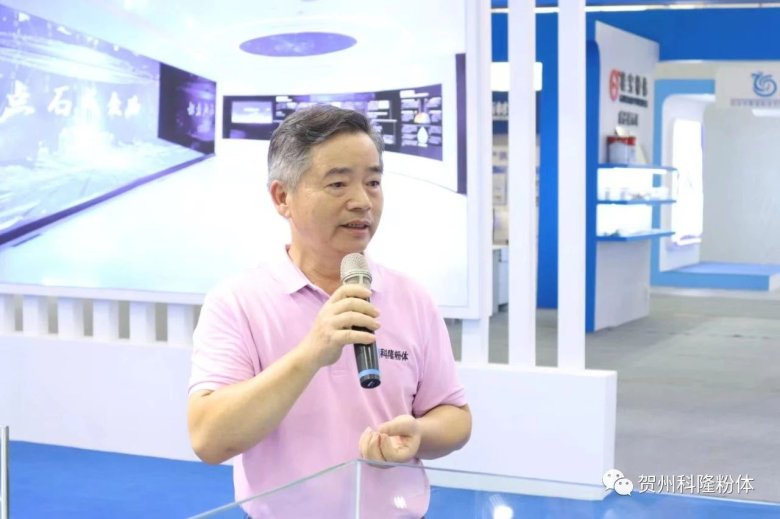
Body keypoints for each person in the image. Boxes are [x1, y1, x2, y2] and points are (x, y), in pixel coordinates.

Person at [187, 105, 471, 517]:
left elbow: (455, 417)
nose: (362, 201)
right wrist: (311, 353)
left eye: (373, 182)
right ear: (282, 197)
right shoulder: (237, 301)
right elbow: (209, 439)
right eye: (338, 184)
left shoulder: (412, 297)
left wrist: (420, 433)